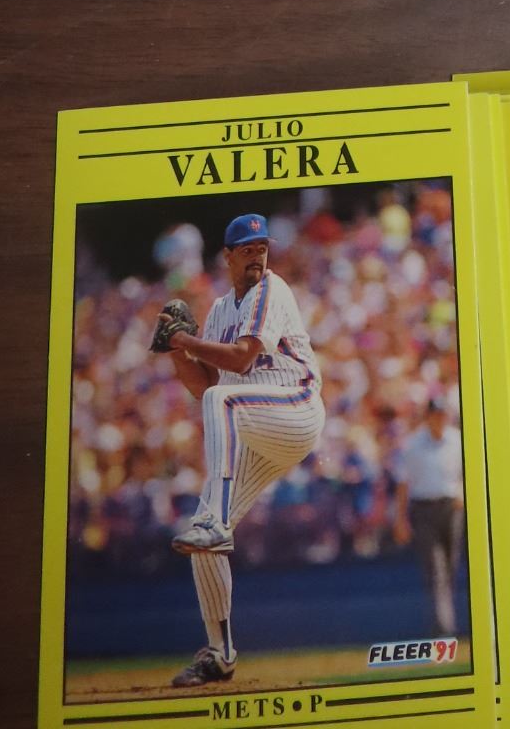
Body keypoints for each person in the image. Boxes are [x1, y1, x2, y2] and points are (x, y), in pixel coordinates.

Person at [157, 214, 325, 689]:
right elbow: (206, 386)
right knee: (203, 541)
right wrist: (177, 351)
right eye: (247, 250)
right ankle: (220, 654)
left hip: (295, 407)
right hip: (256, 427)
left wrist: (186, 339)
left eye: (262, 248)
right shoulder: (218, 310)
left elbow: (244, 358)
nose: (257, 256)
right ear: (227, 257)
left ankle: (217, 521)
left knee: (222, 405)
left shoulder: (272, 289)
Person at [392, 399, 465, 639]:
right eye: (436, 415)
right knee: (436, 569)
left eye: (443, 414)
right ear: (428, 417)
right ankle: (444, 628)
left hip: (452, 508)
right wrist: (400, 519)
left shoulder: (457, 441)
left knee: (450, 566)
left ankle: (446, 621)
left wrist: (462, 492)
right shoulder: (413, 445)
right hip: (424, 510)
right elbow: (403, 483)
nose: (440, 419)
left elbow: (467, 473)